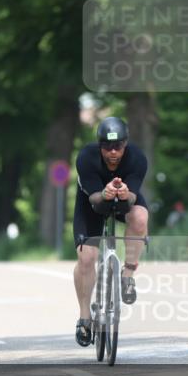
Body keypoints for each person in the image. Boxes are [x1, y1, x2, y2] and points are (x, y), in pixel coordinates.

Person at [72, 117, 148, 347]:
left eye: (118, 146)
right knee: (86, 258)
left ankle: (128, 275)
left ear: (126, 144)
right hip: (92, 201)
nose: (113, 152)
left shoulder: (137, 158)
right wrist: (104, 194)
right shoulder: (86, 158)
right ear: (99, 145)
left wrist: (125, 194)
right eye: (107, 147)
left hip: (123, 200)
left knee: (140, 217)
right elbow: (96, 201)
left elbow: (132, 198)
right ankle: (85, 317)